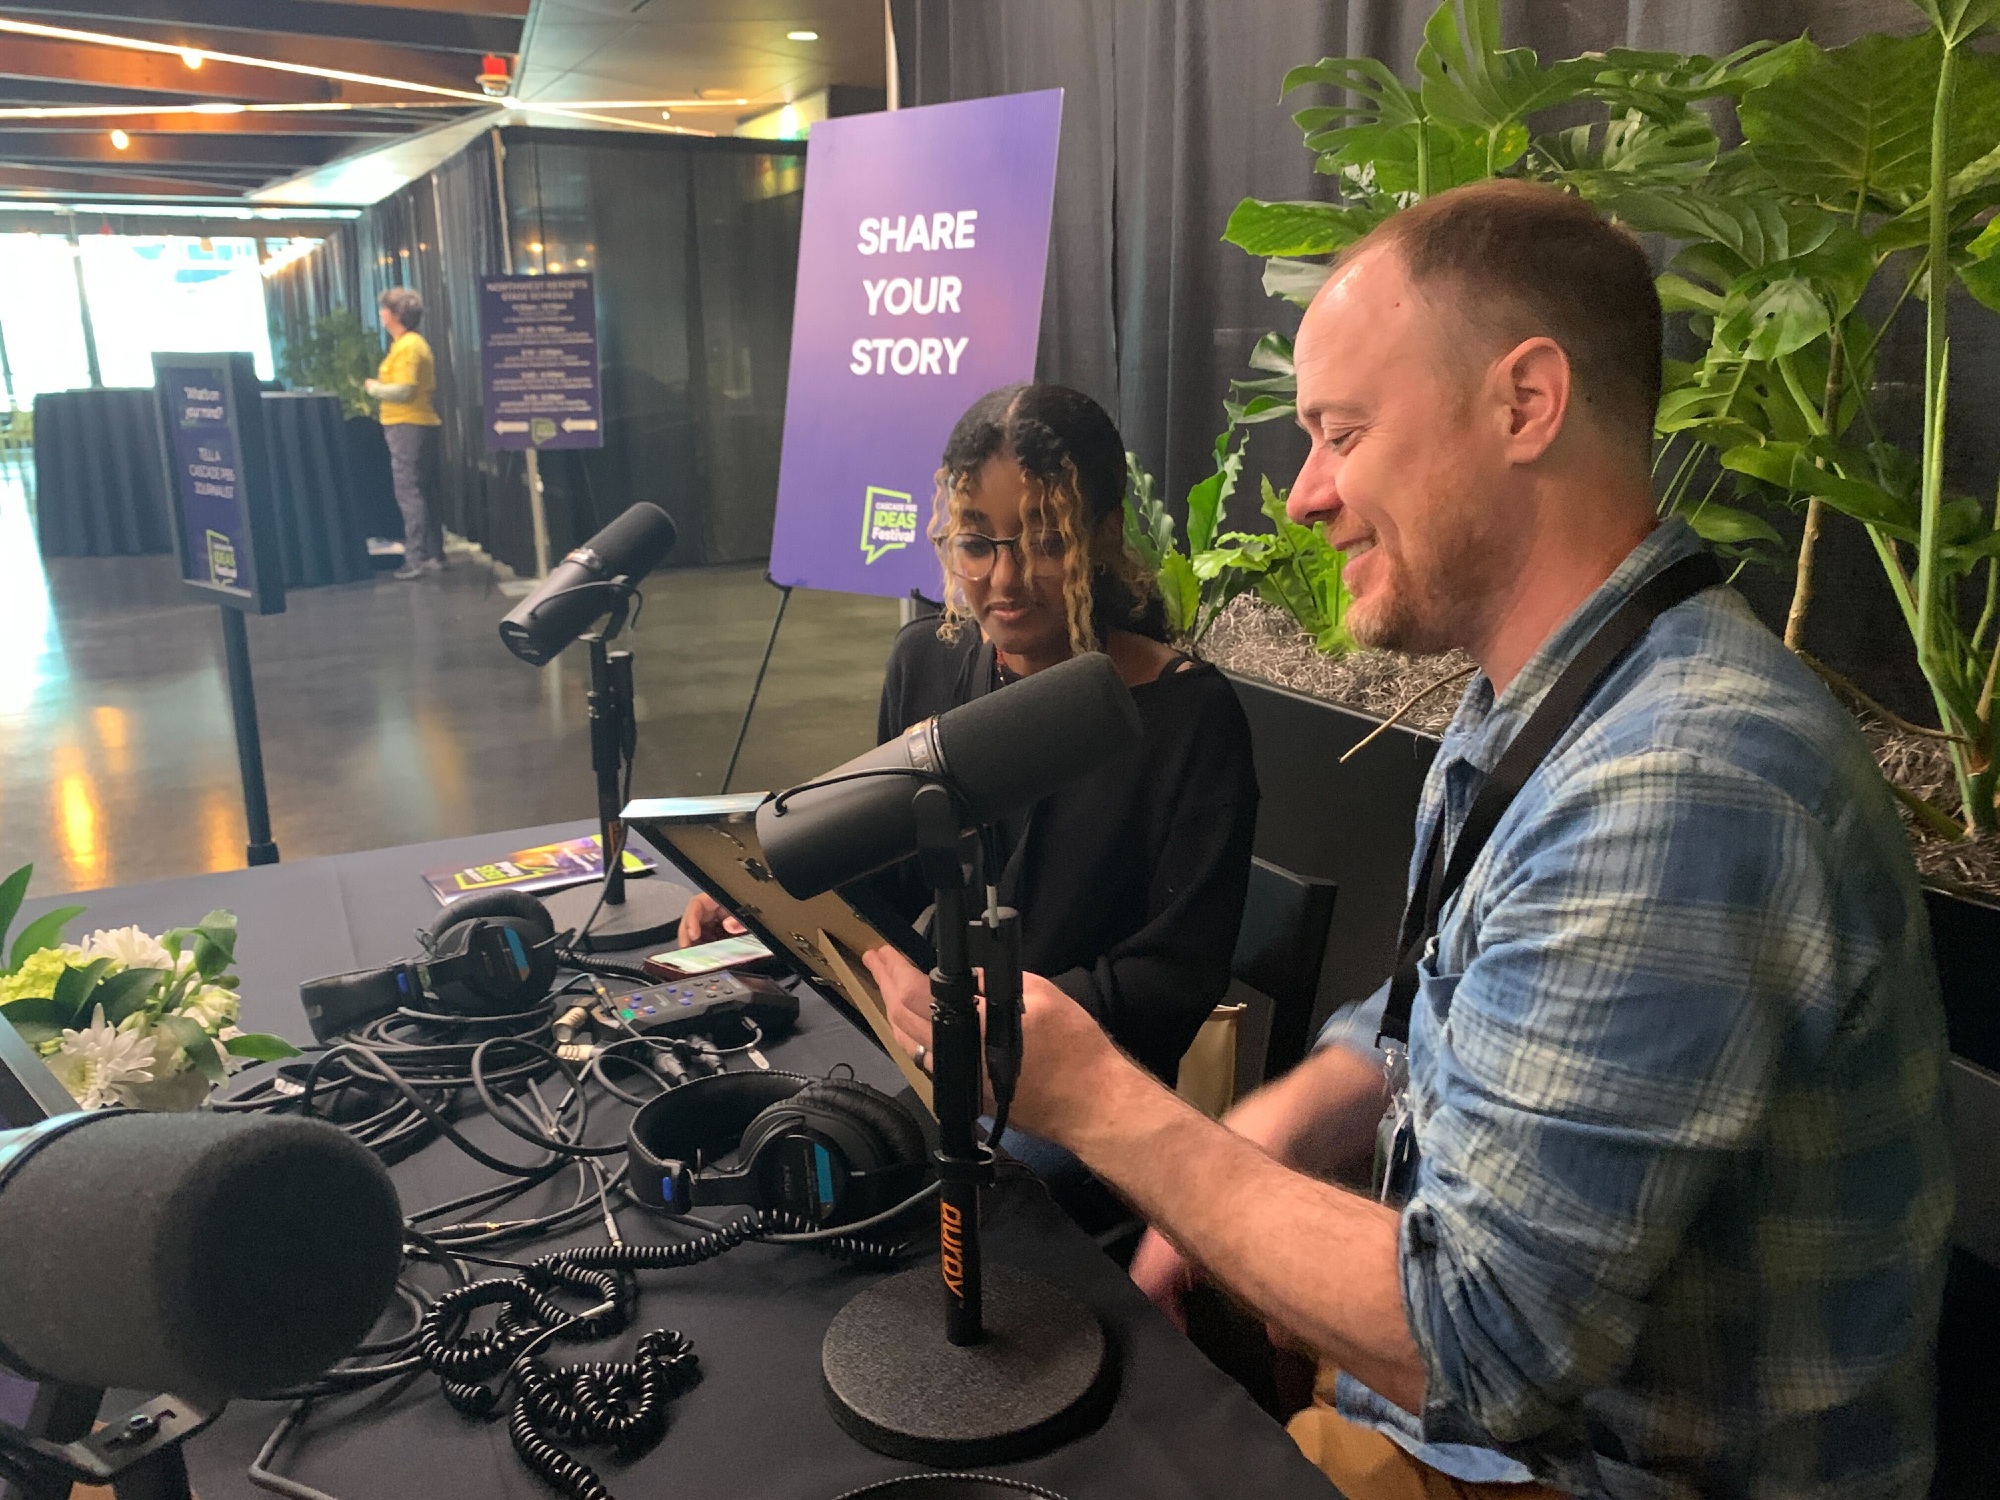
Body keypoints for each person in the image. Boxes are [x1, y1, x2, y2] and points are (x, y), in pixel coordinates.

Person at [873, 181, 1953, 1500]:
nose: (1304, 496)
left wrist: (1108, 1111)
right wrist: (1267, 1130)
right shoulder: (1541, 700)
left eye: (1342, 433)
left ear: (1525, 404)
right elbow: (1425, 1019)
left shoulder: (1675, 781)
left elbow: (1478, 1347)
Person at [685, 381, 1260, 1094]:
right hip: (929, 1047)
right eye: (977, 543)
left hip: (1090, 1087)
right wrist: (767, 893)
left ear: (1105, 536)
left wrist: (996, 1018)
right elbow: (887, 873)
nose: (1005, 579)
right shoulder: (926, 661)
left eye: (1046, 541)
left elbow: (1172, 980)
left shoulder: (1190, 718)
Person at [364, 286, 444, 580]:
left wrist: (374, 388)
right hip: (416, 424)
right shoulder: (408, 344)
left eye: (384, 309)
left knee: (409, 491)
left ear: (396, 314)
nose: (381, 314)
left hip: (407, 424)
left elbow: (404, 389)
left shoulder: (408, 346)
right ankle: (433, 553)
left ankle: (416, 558)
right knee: (423, 491)